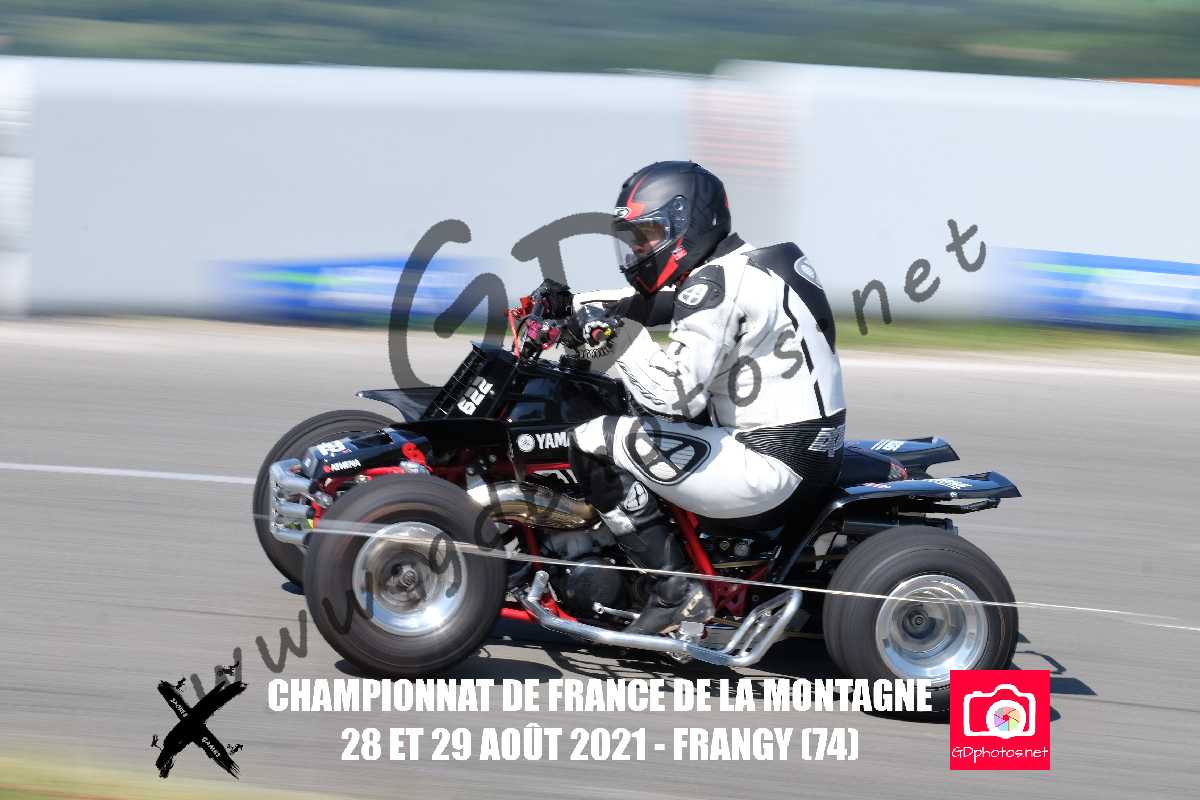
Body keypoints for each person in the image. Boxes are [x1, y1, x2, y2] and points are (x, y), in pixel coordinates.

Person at [567, 160, 847, 635]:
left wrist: (607, 337)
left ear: (688, 223)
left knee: (592, 438)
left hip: (768, 464)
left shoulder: (715, 283)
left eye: (649, 235)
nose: (640, 249)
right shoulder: (757, 266)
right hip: (809, 453)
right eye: (635, 238)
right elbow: (662, 304)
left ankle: (675, 592)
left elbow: (673, 397)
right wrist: (579, 305)